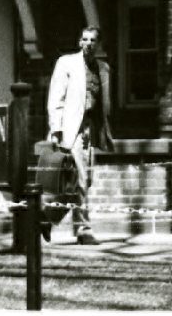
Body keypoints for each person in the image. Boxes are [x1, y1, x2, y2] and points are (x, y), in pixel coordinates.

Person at [45, 25, 113, 245]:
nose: (88, 44)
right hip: (70, 129)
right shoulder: (67, 63)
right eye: (84, 40)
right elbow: (56, 97)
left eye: (93, 41)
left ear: (98, 44)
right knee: (80, 180)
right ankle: (83, 230)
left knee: (83, 181)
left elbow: (103, 103)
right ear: (79, 42)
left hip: (90, 129)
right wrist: (56, 130)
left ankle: (46, 219)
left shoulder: (103, 68)